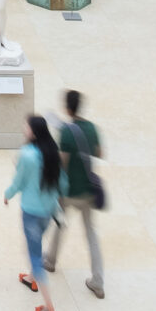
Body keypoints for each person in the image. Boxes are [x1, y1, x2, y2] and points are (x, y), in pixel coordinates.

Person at [4, 115, 67, 311]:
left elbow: (19, 181)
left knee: (35, 256)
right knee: (37, 242)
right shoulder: (52, 152)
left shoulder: (28, 154)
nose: (23, 127)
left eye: (26, 125)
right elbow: (63, 184)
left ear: (32, 131)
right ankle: (31, 278)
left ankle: (49, 308)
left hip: (31, 211)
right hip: (49, 210)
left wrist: (8, 194)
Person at [46, 88, 106, 297]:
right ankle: (97, 281)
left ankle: (50, 260)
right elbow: (99, 153)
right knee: (91, 234)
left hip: (70, 190)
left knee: (60, 224)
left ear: (66, 108)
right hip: (89, 191)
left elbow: (63, 163)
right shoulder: (91, 128)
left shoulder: (66, 132)